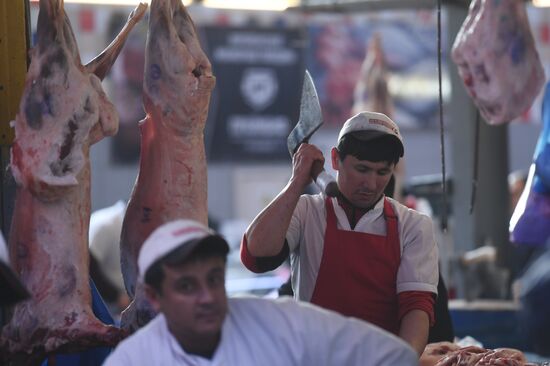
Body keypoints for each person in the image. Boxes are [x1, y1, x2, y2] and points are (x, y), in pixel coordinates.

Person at [241, 111, 439, 356]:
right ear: (335, 159)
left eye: (382, 172)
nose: (371, 184)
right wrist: (296, 182)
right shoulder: (306, 212)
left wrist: (401, 361)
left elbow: (416, 309)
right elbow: (255, 256)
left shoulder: (413, 226)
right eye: (362, 169)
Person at [103, 219, 419, 365]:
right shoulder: (134, 360)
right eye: (187, 286)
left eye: (214, 279)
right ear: (155, 298)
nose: (208, 297)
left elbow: (395, 356)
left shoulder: (283, 324)